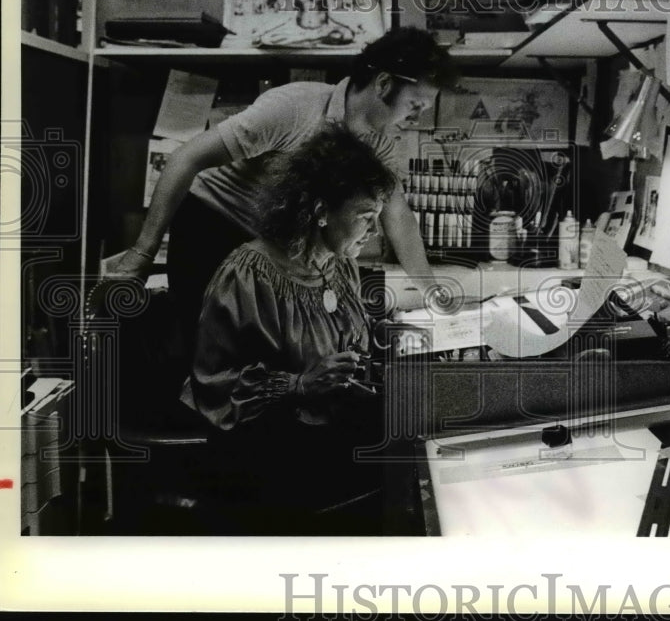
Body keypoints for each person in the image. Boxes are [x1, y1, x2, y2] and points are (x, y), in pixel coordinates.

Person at [109, 27, 458, 344]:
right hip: (212, 223)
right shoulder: (294, 108)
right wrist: (142, 254)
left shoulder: (379, 141)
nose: (417, 119)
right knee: (212, 345)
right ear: (383, 84)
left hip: (273, 242)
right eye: (415, 105)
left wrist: (430, 291)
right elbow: (185, 158)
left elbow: (397, 216)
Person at [180, 127, 397, 534]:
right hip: (266, 445)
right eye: (366, 216)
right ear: (320, 211)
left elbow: (345, 345)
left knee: (411, 446)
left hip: (325, 428)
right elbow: (214, 385)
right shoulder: (249, 273)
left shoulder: (338, 263)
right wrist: (297, 385)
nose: (375, 231)